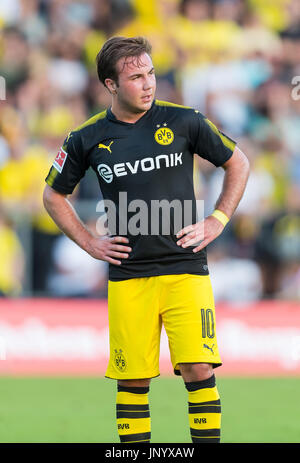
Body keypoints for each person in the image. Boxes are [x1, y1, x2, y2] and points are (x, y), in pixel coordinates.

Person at [43, 36, 249, 444]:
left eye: (151, 73)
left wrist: (217, 220)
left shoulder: (184, 120)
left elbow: (237, 163)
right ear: (111, 84)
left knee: (198, 369)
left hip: (186, 267)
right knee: (133, 379)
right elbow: (53, 195)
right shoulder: (86, 137)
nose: (149, 83)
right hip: (128, 275)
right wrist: (89, 243)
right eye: (136, 77)